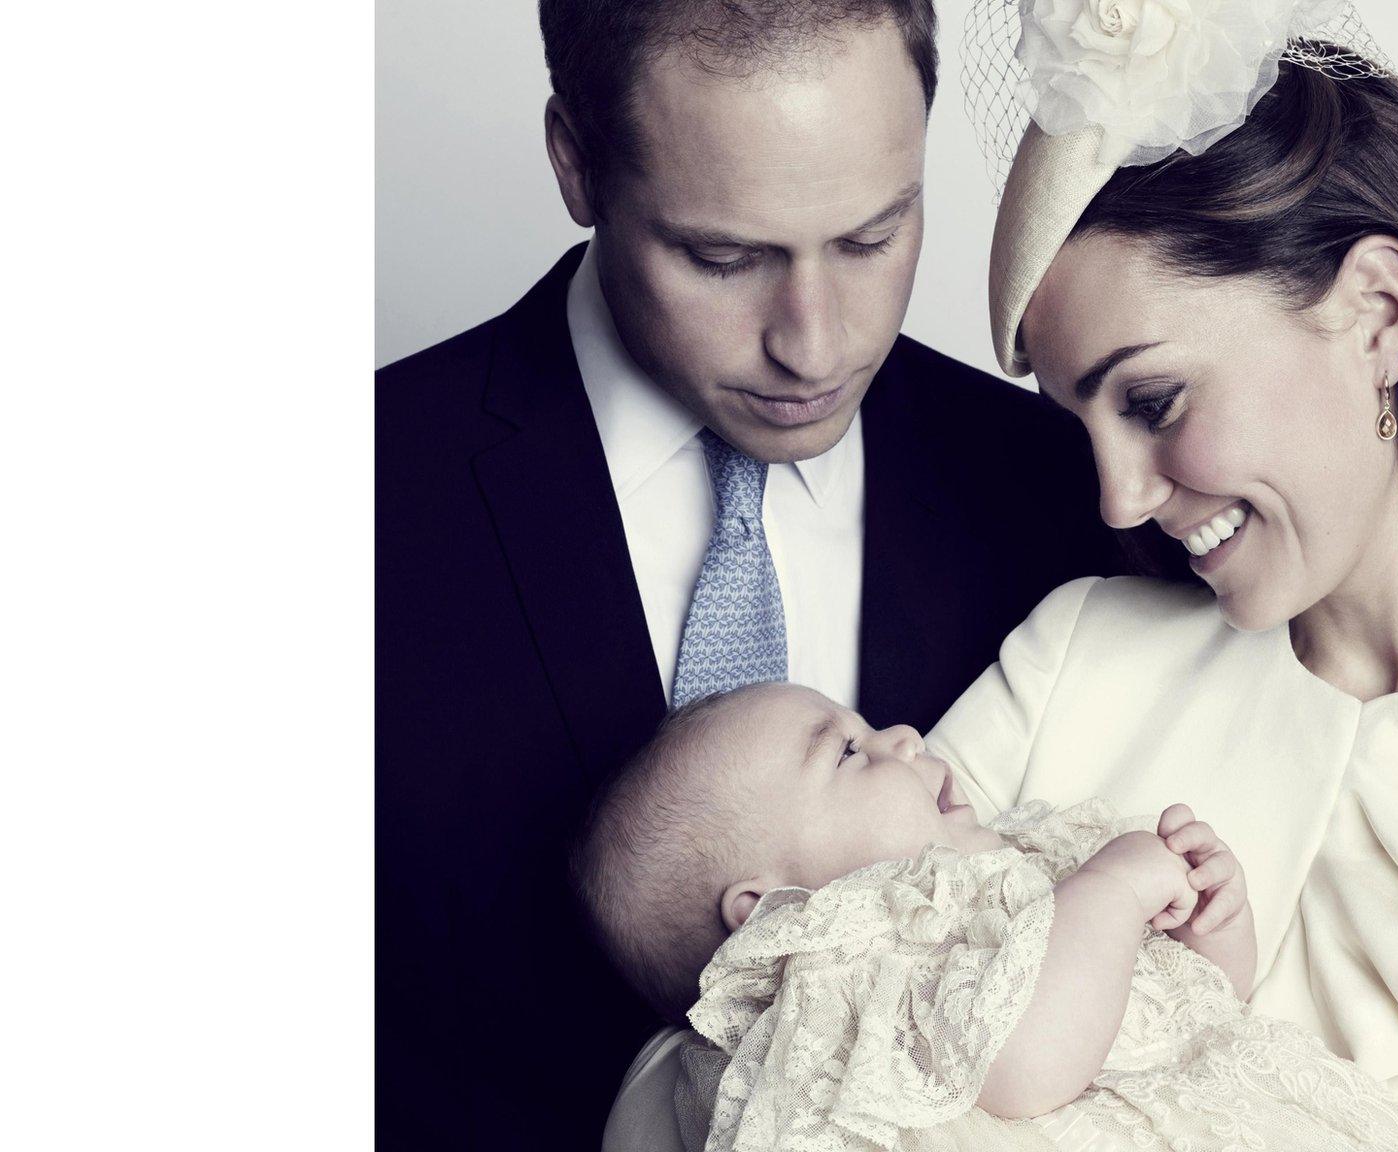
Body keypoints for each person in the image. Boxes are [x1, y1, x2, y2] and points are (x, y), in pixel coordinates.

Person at [922, 9, 1398, 1150]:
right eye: (1079, 426)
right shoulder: (1072, 661)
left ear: (1375, 314)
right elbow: (778, 1035)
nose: (1117, 500)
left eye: (1153, 402)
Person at [374, 0, 1117, 1145]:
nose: (813, 344)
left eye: (873, 238)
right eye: (723, 257)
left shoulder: (1069, 492)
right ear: (575, 164)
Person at [575, 682, 1398, 1152]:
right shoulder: (852, 967)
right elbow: (1023, 1060)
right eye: (847, 752)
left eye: (866, 725)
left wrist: (1206, 934)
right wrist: (1109, 894)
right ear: (771, 914)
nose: (904, 737)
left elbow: (1173, 1021)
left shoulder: (1025, 858)